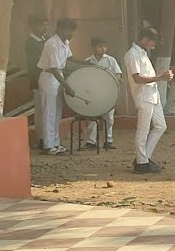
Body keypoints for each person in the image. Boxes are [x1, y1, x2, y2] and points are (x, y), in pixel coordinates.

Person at [125, 28, 173, 173]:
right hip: (144, 96)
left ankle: (143, 158)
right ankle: (141, 163)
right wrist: (160, 78)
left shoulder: (143, 53)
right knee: (143, 130)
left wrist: (162, 75)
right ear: (145, 39)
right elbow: (137, 78)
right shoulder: (132, 54)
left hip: (152, 95)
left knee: (160, 126)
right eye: (153, 42)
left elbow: (148, 75)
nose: (155, 45)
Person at [37, 18, 80, 155]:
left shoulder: (65, 42)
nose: (71, 34)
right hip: (49, 77)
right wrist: (67, 86)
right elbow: (54, 68)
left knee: (57, 112)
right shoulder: (52, 44)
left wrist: (84, 63)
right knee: (49, 112)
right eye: (70, 30)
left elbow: (70, 58)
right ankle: (48, 145)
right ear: (61, 29)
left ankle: (55, 142)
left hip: (58, 77)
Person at [82, 37, 121, 150]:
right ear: (93, 47)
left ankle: (108, 141)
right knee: (92, 117)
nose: (103, 49)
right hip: (93, 93)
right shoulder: (88, 61)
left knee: (109, 118)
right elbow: (85, 76)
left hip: (108, 92)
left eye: (104, 46)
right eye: (100, 46)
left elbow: (118, 75)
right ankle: (91, 142)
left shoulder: (111, 60)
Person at [24, 15, 50, 150]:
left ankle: (46, 137)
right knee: (41, 112)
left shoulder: (44, 40)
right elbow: (36, 66)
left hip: (46, 81)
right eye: (42, 25)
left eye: (46, 25)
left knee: (47, 111)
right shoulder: (31, 43)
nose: (45, 28)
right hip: (38, 81)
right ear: (33, 26)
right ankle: (41, 138)